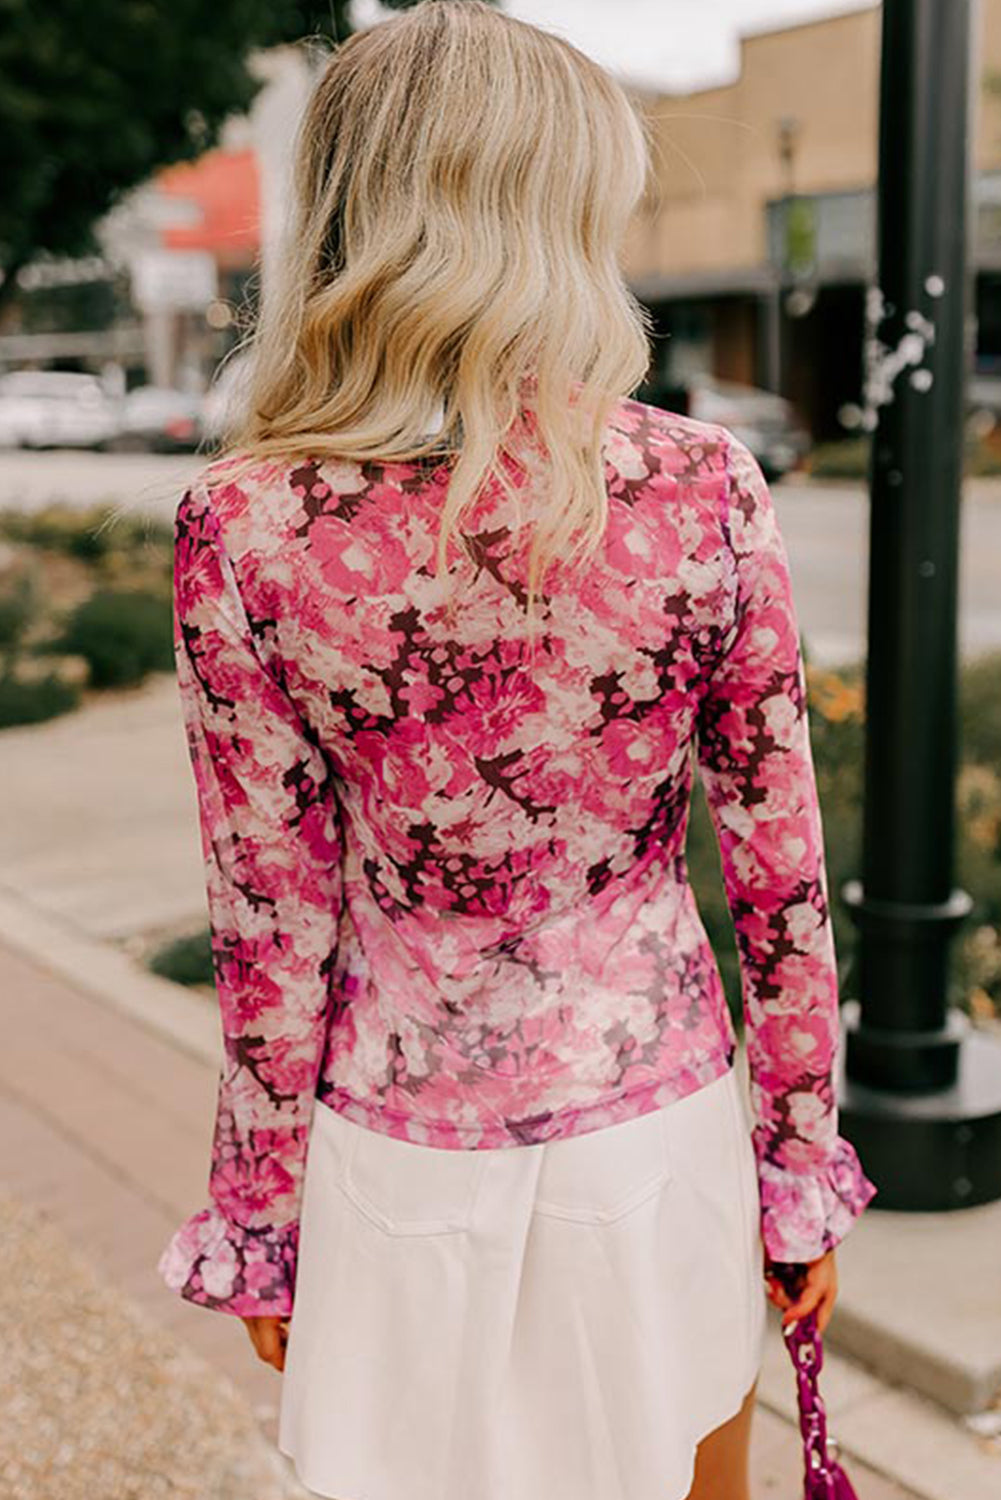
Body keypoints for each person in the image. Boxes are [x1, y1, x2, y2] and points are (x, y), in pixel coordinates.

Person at [157, 4, 879, 1497]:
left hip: (395, 1153)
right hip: (660, 1131)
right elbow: (779, 883)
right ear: (559, 211)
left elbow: (271, 930)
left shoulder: (244, 524)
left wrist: (260, 1217)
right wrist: (798, 1174)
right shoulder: (700, 489)